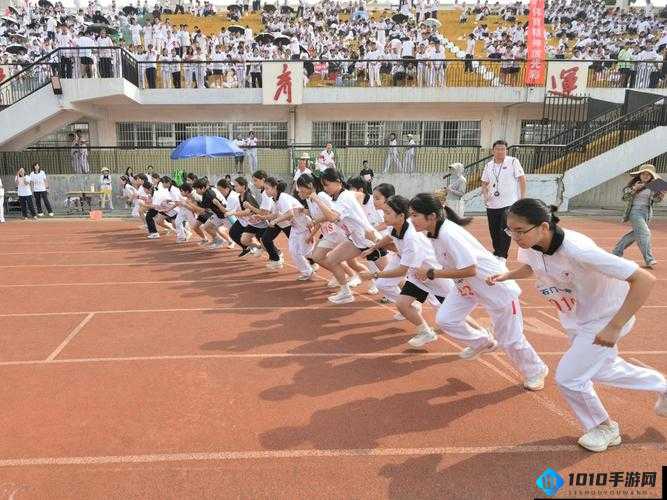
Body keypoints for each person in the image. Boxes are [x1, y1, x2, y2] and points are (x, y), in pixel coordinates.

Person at [491, 198, 667, 452]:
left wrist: (615, 326)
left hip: (605, 317)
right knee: (604, 369)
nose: (514, 236)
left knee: (569, 378)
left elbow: (644, 279)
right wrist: (507, 275)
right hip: (577, 318)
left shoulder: (579, 250)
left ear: (543, 227)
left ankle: (604, 427)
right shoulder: (531, 244)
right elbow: (533, 267)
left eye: (519, 230)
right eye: (510, 230)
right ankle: (662, 386)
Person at [409, 192, 548, 390]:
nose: (410, 219)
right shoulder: (434, 233)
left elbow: (470, 268)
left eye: (414, 215)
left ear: (431, 217)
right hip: (468, 287)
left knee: (511, 340)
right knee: (445, 319)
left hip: (496, 288)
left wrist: (432, 273)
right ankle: (482, 341)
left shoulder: (449, 234)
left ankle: (536, 370)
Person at [481, 140, 526, 261]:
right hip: (492, 204)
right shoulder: (488, 165)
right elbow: (484, 183)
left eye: (503, 149)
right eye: (498, 149)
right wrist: (485, 196)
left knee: (505, 229)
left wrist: (522, 198)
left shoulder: (513, 162)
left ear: (506, 150)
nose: (500, 151)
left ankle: (503, 255)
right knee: (494, 230)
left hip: (509, 203)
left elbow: (522, 179)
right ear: (493, 151)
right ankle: (497, 252)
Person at [612, 164, 664, 269]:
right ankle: (649, 259)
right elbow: (624, 198)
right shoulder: (633, 184)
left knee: (635, 235)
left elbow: (656, 200)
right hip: (635, 212)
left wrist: (660, 194)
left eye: (648, 174)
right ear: (639, 175)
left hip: (647, 213)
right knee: (645, 233)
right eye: (643, 174)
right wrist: (634, 189)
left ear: (652, 176)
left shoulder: (654, 186)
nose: (645, 176)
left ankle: (616, 252)